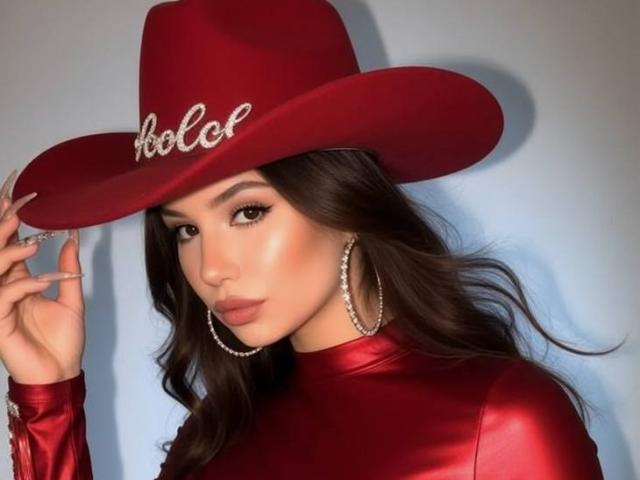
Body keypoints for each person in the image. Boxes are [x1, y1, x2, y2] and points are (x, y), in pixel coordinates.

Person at [0, 0, 617, 479]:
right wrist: (49, 397)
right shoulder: (215, 436)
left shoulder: (503, 423)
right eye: (185, 229)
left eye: (247, 212)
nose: (211, 268)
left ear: (344, 203)